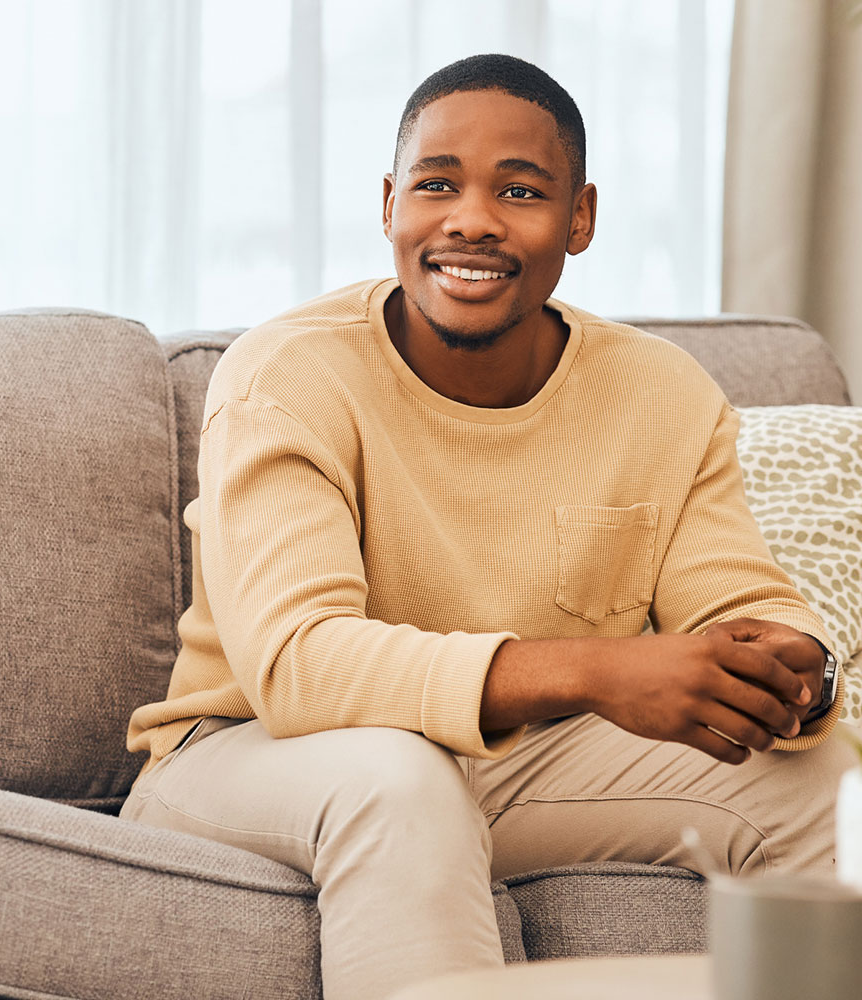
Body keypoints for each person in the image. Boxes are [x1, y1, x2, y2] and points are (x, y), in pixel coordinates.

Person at [122, 54, 849, 999]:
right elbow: (300, 664)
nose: (472, 219)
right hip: (246, 755)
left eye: (520, 190)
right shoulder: (286, 376)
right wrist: (596, 671)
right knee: (396, 776)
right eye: (437, 185)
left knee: (819, 778)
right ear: (390, 206)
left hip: (506, 759)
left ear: (579, 218)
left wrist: (795, 668)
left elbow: (740, 598)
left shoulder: (662, 391)